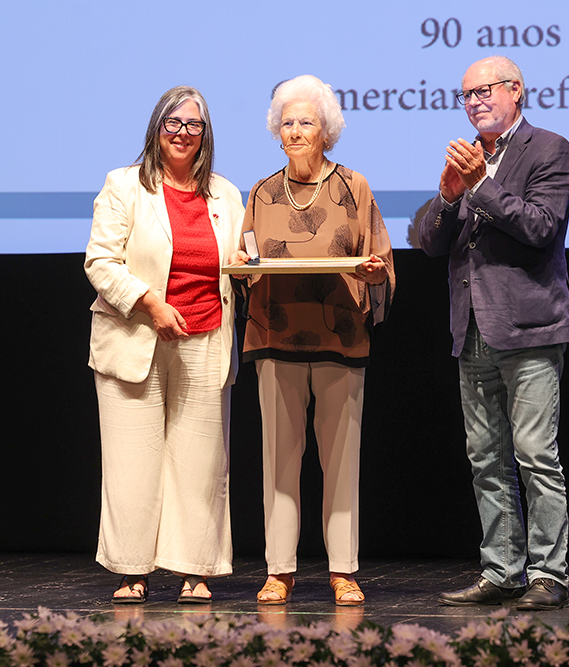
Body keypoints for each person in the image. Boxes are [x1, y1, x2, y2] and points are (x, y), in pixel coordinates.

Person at [419, 56, 569, 611]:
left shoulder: (549, 148)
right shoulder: (469, 158)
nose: (475, 102)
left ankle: (548, 574)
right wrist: (447, 197)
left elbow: (541, 226)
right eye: (466, 95)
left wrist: (480, 185)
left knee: (535, 455)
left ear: (516, 91)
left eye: (484, 91)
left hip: (530, 327)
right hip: (473, 329)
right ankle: (502, 571)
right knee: (486, 458)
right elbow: (429, 242)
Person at [229, 74, 394, 606]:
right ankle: (279, 570)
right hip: (275, 335)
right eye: (287, 123)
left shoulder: (353, 186)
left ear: (327, 131)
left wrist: (374, 274)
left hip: (340, 338)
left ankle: (343, 570)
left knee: (341, 462)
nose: (296, 131)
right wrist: (242, 265)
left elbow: (380, 259)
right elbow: (246, 260)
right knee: (279, 461)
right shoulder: (262, 192)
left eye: (306, 122)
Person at [84, 86, 244, 604]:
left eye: (193, 125)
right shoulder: (124, 185)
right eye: (172, 123)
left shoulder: (226, 194)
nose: (182, 133)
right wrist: (150, 303)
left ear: (205, 135)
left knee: (200, 464)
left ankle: (194, 569)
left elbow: (239, 261)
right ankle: (132, 571)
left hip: (206, 337)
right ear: (157, 128)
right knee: (132, 463)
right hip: (136, 337)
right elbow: (100, 262)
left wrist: (249, 268)